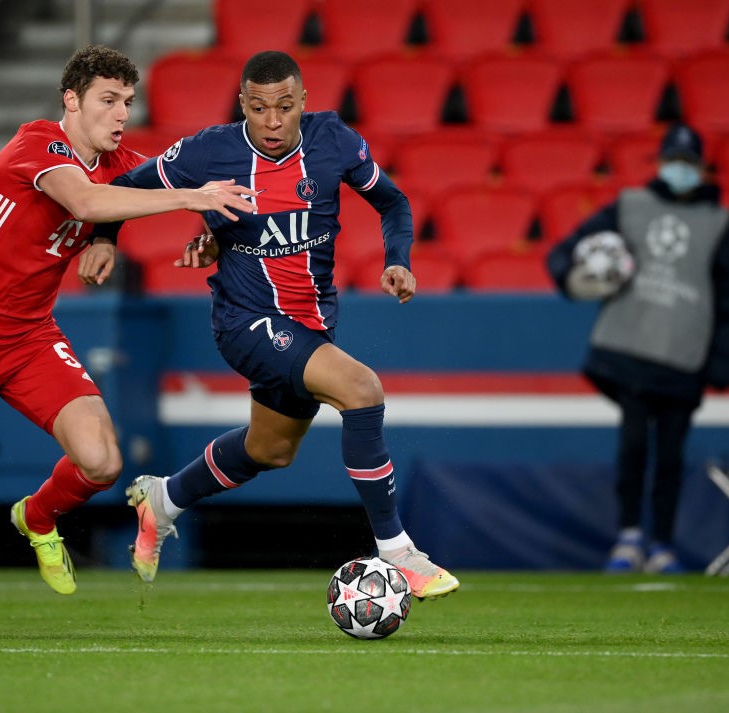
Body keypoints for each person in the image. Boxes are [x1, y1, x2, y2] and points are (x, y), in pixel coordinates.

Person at [90, 50, 460, 601]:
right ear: (242, 103)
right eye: (259, 108)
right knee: (362, 389)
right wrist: (104, 238)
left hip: (309, 324)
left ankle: (163, 499)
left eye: (284, 107)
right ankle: (398, 552)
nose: (271, 121)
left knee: (270, 451)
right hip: (245, 321)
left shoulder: (333, 140)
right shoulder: (208, 151)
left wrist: (398, 258)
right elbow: (126, 188)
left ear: (303, 103)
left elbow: (393, 202)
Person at [0, 45, 256, 633]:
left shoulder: (119, 160)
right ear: (70, 101)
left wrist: (164, 235)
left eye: (127, 101)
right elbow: (87, 199)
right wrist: (190, 200)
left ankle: (37, 516)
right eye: (107, 100)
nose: (121, 113)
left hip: (29, 336)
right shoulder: (36, 145)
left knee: (102, 461)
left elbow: (127, 196)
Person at [546, 123, 729, 574]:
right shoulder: (631, 206)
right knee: (635, 444)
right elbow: (571, 249)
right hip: (630, 348)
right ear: (660, 163)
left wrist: (724, 364)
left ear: (702, 168)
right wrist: (568, 275)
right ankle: (629, 536)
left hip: (684, 355)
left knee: (672, 454)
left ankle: (661, 543)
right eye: (673, 160)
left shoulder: (719, 225)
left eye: (689, 162)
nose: (680, 170)